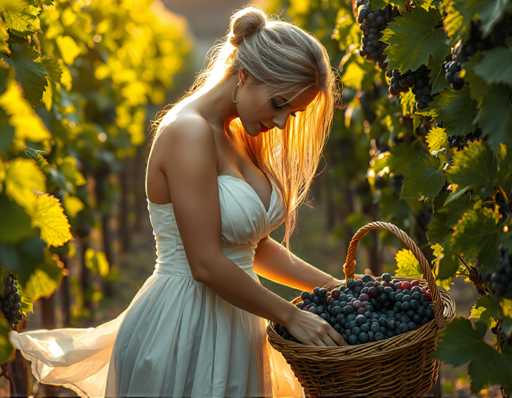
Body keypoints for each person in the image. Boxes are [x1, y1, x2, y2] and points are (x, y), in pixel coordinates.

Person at [9, 6, 345, 397]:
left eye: (294, 111)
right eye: (280, 103)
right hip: (185, 327)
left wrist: (334, 286)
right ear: (246, 75)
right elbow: (204, 263)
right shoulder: (189, 133)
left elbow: (251, 248)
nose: (284, 121)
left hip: (235, 322)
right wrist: (290, 315)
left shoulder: (234, 135)